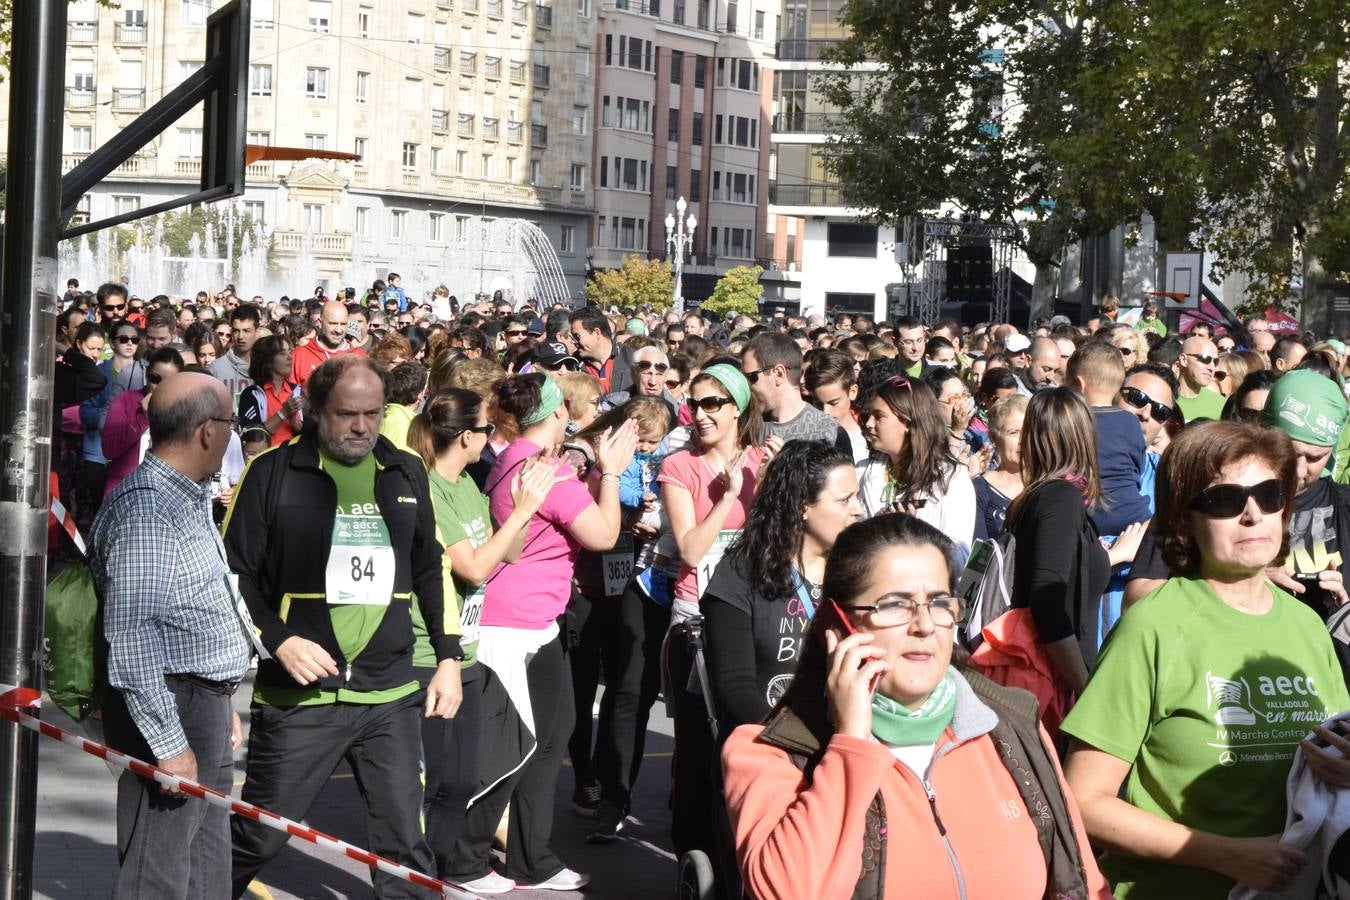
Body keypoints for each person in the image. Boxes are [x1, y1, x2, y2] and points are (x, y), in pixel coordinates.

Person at [721, 513, 1111, 900]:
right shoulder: (771, 753)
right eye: (895, 605)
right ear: (841, 627)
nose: (924, 625)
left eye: (939, 603)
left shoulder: (1012, 724)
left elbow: (1084, 877)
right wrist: (850, 742)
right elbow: (787, 892)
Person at [1063, 421, 1350, 899]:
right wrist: (1224, 852)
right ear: (1184, 520)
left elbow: (1336, 748)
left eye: (1268, 494)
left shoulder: (1306, 625)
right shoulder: (1153, 625)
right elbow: (1084, 799)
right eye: (1225, 501)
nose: (1253, 514)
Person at [222, 355, 463, 899]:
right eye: (346, 414)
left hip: (390, 692)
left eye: (372, 414)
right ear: (313, 411)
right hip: (301, 697)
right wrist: (278, 640)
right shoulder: (272, 473)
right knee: (259, 838)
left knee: (405, 845)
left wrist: (447, 656)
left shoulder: (404, 470)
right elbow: (233, 576)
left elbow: (429, 567)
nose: (361, 427)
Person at [445, 373, 637, 894]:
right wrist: (612, 473)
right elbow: (604, 534)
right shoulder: (545, 471)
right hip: (514, 625)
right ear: (556, 415)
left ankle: (534, 858)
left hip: (533, 622)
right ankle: (466, 862)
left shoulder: (516, 460)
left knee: (551, 738)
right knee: (515, 747)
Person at [92, 371, 253, 899]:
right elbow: (132, 635)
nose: (233, 433)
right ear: (208, 431)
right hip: (170, 702)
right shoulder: (148, 508)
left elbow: (195, 608)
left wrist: (220, 693)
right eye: (230, 423)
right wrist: (169, 742)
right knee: (158, 867)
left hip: (196, 697)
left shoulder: (184, 496)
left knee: (205, 855)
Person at [406, 388, 559, 880]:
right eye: (487, 430)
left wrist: (522, 508)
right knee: (439, 780)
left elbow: (507, 554)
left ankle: (450, 868)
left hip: (468, 649)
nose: (492, 438)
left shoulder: (471, 484)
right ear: (467, 436)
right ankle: (427, 871)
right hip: (432, 653)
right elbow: (474, 567)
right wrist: (518, 513)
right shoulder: (430, 489)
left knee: (472, 771)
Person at [979, 388, 1139, 728]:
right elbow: (1047, 601)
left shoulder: (1039, 497)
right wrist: (1086, 690)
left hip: (1049, 680)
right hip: (1050, 685)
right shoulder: (1060, 498)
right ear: (1082, 437)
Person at [704, 440, 862, 731]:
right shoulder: (741, 571)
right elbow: (734, 688)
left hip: (841, 740)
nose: (858, 510)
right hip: (762, 749)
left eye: (857, 497)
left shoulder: (856, 573)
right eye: (845, 500)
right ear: (803, 506)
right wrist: (787, 742)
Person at [855, 375, 977, 556]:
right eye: (869, 415)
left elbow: (959, 557)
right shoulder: (861, 472)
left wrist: (912, 535)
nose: (869, 423)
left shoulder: (952, 478)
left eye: (879, 416)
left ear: (908, 421)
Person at [1066, 341, 1152, 537]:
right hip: (1135, 516)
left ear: (1079, 384)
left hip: (1092, 518)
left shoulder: (1073, 421)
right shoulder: (1131, 421)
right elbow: (1137, 468)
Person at [742, 332, 851, 453]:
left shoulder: (830, 433)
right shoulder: (746, 427)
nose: (746, 386)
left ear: (779, 373)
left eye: (750, 377)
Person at [101, 347, 184, 497]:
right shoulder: (125, 400)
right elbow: (109, 450)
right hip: (124, 490)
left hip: (165, 493)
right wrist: (143, 417)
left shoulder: (184, 408)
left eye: (169, 381)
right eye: (155, 379)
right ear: (146, 374)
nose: (161, 387)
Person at [972, 394, 1027, 540]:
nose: (1024, 440)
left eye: (1029, 430)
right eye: (1014, 432)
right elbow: (978, 558)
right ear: (994, 438)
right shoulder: (979, 489)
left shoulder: (1046, 484)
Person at [237, 335, 302, 447]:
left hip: (295, 458)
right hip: (266, 460)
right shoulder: (251, 395)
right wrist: (283, 413)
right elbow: (251, 435)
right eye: (282, 353)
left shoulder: (297, 391)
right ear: (268, 361)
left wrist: (293, 421)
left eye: (289, 351)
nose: (290, 357)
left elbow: (310, 434)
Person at [805, 348, 868, 462]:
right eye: (818, 403)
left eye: (833, 403)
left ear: (852, 392)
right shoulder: (805, 437)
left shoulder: (870, 435)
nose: (826, 412)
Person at [291, 300, 366, 385]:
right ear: (320, 322)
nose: (338, 330)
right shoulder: (298, 356)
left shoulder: (360, 357)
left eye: (343, 324)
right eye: (333, 323)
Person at [569, 306, 636, 395]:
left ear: (597, 333)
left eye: (577, 336)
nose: (573, 341)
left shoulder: (632, 360)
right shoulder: (572, 365)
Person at [208, 304, 261, 398]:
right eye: (236, 331)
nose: (240, 337)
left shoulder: (266, 368)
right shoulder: (216, 368)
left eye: (246, 331)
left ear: (257, 332)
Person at [1175, 335, 1226, 421]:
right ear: (1183, 360)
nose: (1212, 367)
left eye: (1215, 362)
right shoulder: (1162, 399)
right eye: (1205, 359)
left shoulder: (1221, 404)